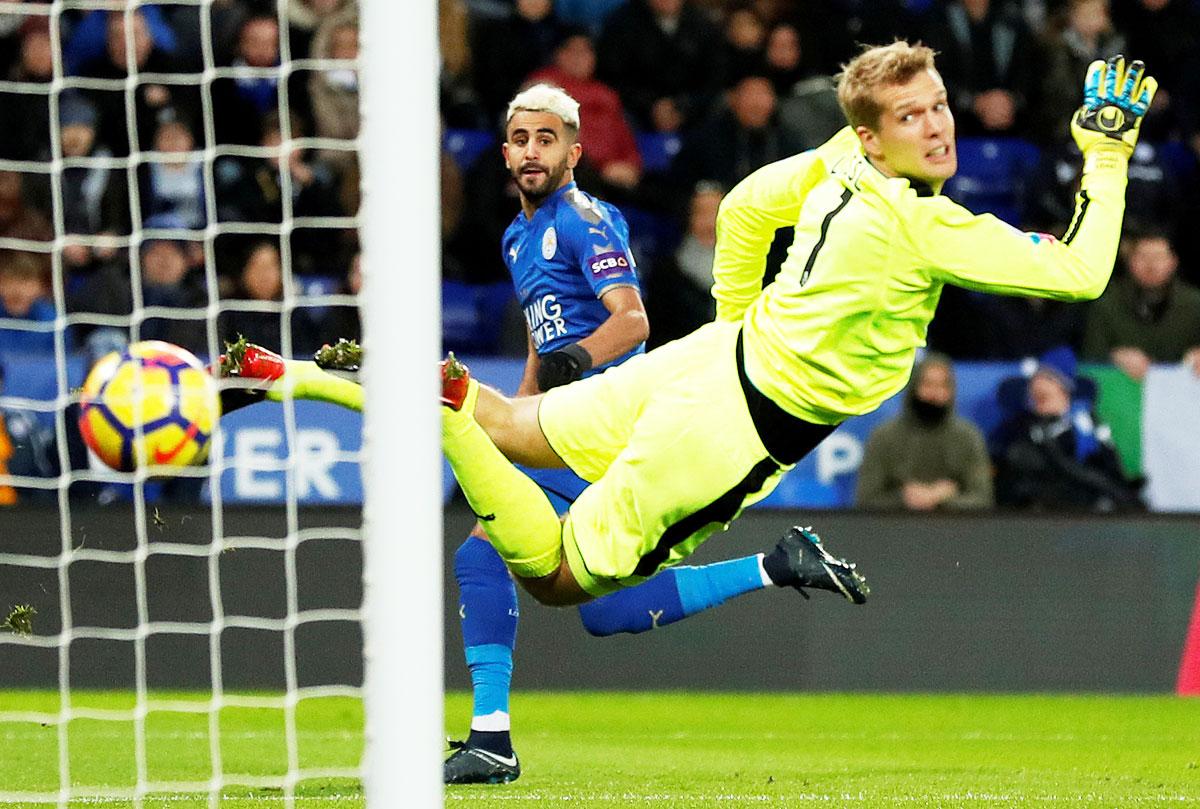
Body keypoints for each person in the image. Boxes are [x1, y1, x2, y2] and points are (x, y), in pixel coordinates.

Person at [438, 44, 1154, 609]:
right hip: (735, 432)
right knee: (559, 579)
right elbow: (1081, 273)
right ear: (874, 136)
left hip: (715, 357)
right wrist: (1107, 155)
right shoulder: (927, 226)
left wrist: (731, 326)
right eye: (912, 116)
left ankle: (402, 385)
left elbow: (743, 208)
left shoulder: (841, 156)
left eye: (938, 105)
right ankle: (437, 408)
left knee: (511, 425)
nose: (936, 126)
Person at [444, 83, 857, 787]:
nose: (532, 151)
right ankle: (778, 565)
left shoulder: (585, 219)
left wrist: (578, 362)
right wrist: (512, 420)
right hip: (557, 419)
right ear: (506, 151)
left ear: (575, 150)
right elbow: (545, 345)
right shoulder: (517, 234)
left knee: (484, 556)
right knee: (604, 612)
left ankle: (491, 738)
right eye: (521, 139)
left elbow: (632, 320)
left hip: (602, 422)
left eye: (547, 138)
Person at [993, 349, 1140, 511]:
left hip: (1089, 507)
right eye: (1036, 378)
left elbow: (1110, 467)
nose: (1038, 384)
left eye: (1048, 378)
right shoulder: (1020, 424)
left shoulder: (1087, 424)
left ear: (1065, 390)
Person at [855, 352, 994, 511]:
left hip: (954, 529)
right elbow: (866, 499)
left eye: (942, 386)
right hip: (896, 528)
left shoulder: (967, 436)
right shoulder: (884, 436)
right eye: (928, 384)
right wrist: (905, 498)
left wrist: (942, 499)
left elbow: (982, 498)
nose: (934, 394)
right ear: (913, 388)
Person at [1081, 229, 1200, 380]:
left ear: (1173, 261)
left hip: (1182, 391)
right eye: (1143, 257)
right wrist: (1114, 357)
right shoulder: (1106, 303)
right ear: (1129, 261)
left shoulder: (1193, 303)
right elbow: (1089, 357)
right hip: (1123, 390)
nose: (1151, 265)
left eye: (1158, 257)